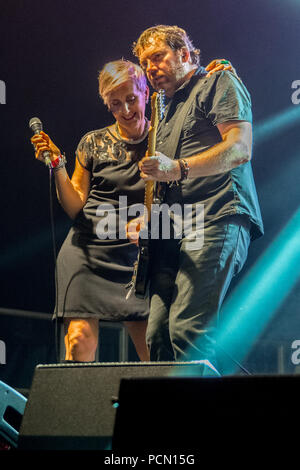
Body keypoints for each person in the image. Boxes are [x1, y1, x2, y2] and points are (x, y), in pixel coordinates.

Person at [32, 57, 230, 363]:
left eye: (131, 99)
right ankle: (81, 410)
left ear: (145, 92)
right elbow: (75, 206)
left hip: (138, 256)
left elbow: (213, 135)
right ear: (107, 105)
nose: (125, 110)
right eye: (115, 104)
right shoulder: (93, 143)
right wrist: (58, 167)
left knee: (152, 350)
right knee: (78, 341)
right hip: (88, 252)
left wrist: (217, 76)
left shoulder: (167, 138)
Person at [127, 25, 264, 367]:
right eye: (145, 62)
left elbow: (240, 148)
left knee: (187, 330)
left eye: (158, 57)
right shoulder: (163, 110)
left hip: (217, 216)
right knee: (157, 335)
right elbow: (163, 177)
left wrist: (177, 168)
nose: (150, 67)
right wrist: (147, 218)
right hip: (171, 232)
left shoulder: (219, 82)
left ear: (184, 54)